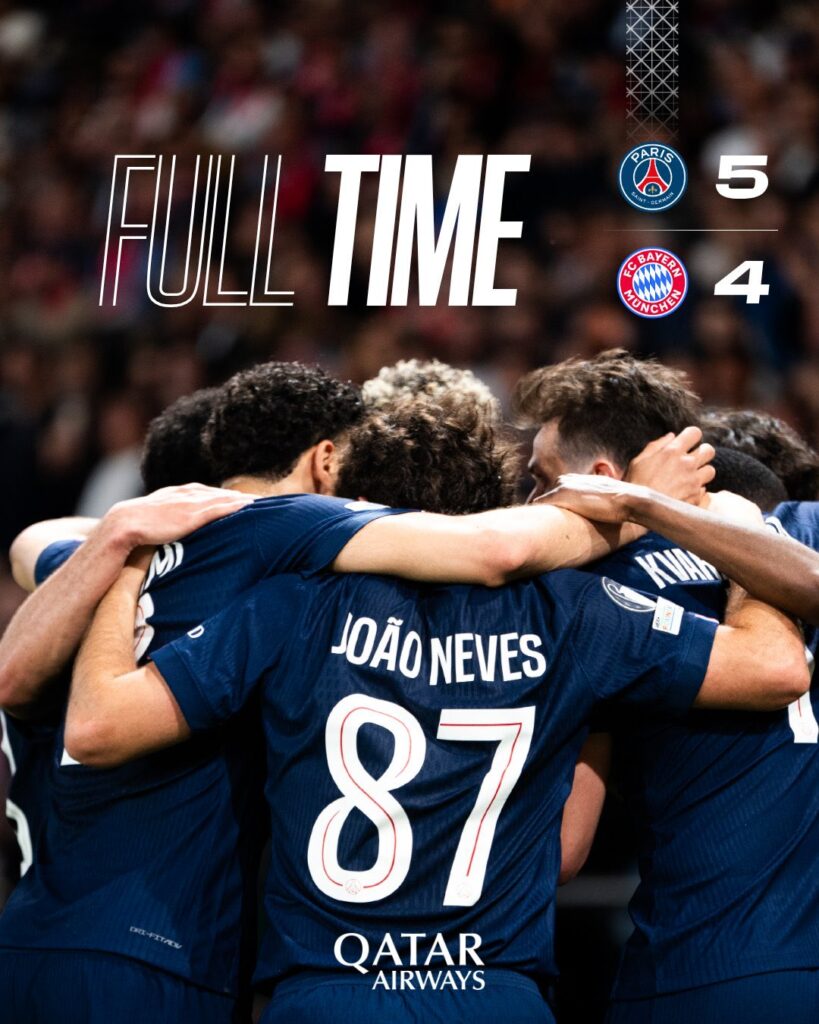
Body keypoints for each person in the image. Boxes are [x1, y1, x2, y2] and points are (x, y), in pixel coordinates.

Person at [0, 360, 713, 1023]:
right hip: (164, 948)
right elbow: (496, 549)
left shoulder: (106, 564)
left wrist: (118, 538)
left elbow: (23, 596)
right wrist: (640, 506)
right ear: (325, 460)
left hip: (39, 928)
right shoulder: (290, 534)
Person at [525, 386, 819, 1020]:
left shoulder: (592, 588)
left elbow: (564, 849)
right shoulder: (806, 531)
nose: (534, 501)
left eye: (543, 480)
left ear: (602, 477)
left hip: (707, 965)